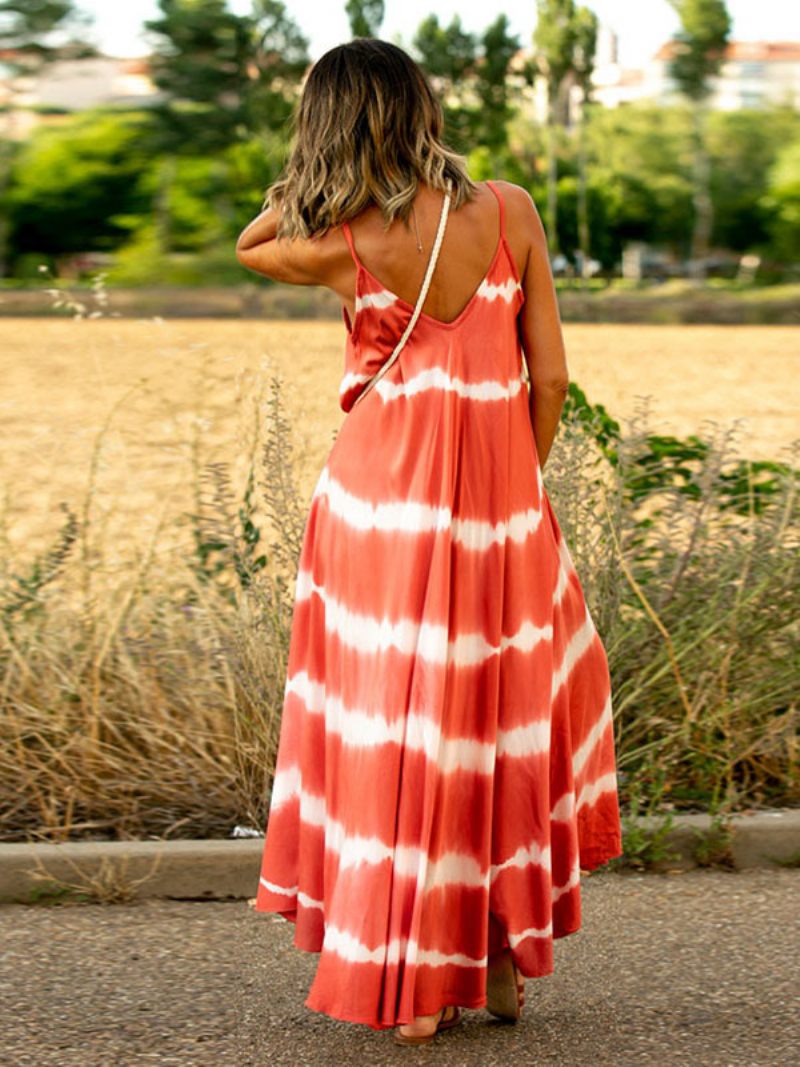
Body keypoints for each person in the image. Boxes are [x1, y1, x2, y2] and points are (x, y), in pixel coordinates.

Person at [235, 37, 623, 1047]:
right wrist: (513, 488)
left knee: (391, 728)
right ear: (425, 104)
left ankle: (403, 982)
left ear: (329, 127)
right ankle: (492, 957)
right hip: (500, 510)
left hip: (375, 508)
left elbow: (252, 238)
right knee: (491, 725)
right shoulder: (511, 211)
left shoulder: (336, 238)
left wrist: (319, 173)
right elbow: (547, 381)